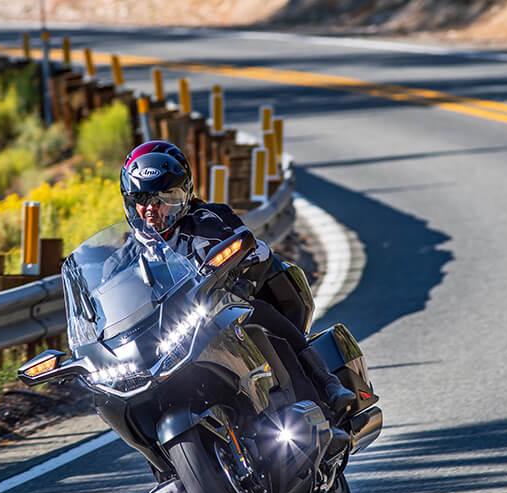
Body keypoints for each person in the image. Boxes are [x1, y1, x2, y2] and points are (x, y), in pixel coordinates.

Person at [120, 140, 356, 423]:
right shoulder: (128, 255)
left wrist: (240, 267)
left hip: (221, 313)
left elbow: (257, 249)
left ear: (184, 194)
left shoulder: (208, 219)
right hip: (170, 335)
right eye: (142, 199)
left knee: (260, 315)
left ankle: (327, 385)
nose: (151, 209)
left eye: (163, 198)